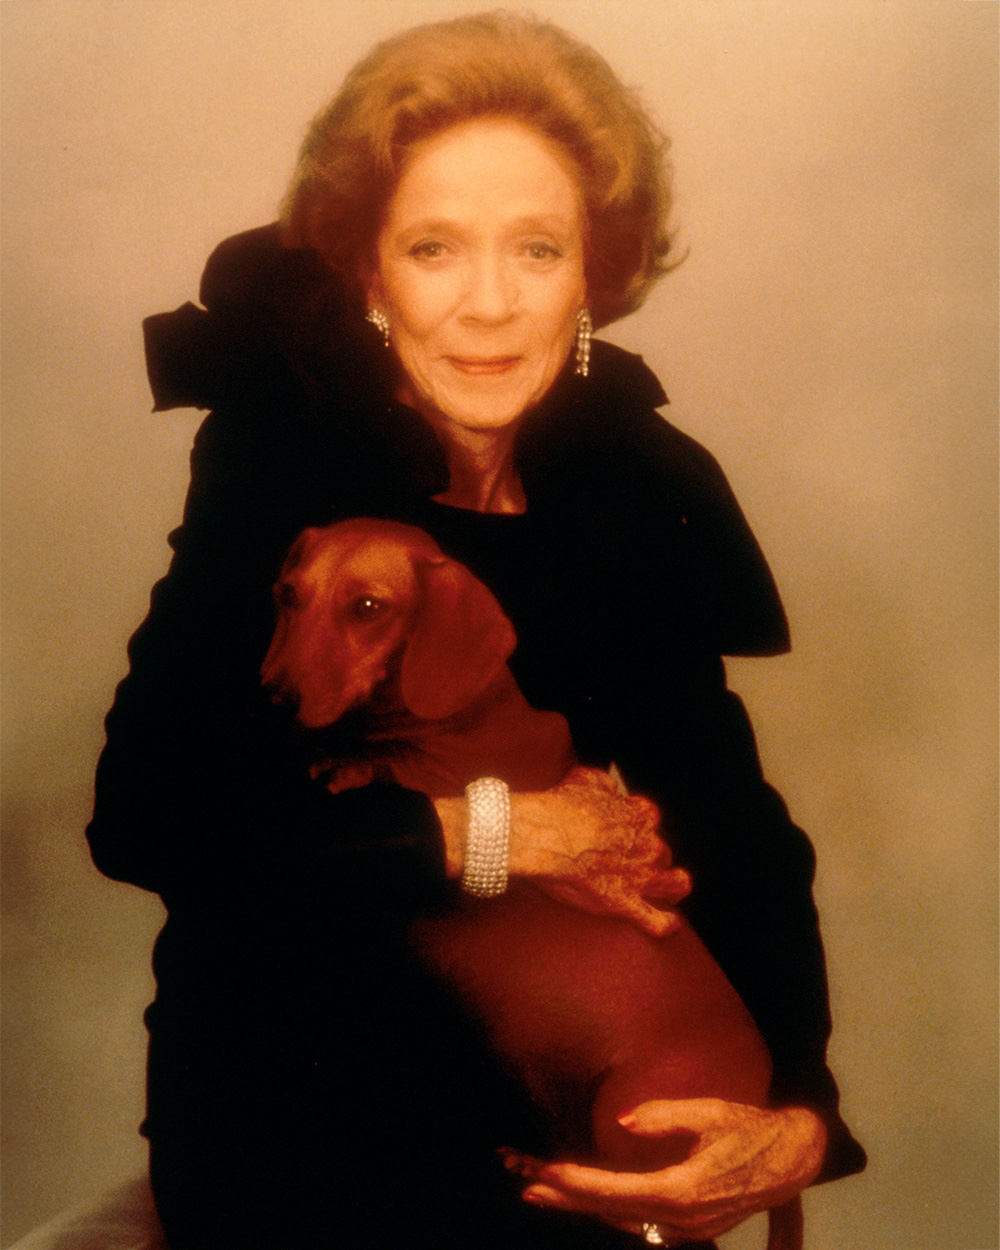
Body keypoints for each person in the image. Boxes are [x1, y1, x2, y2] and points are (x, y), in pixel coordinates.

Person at [88, 12, 865, 1249]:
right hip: (303, 1143)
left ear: (593, 276)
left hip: (565, 1137)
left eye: (538, 248)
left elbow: (740, 833)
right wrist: (498, 832)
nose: (491, 305)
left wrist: (800, 1113)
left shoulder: (636, 484)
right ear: (370, 273)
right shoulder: (282, 461)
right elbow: (148, 813)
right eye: (435, 247)